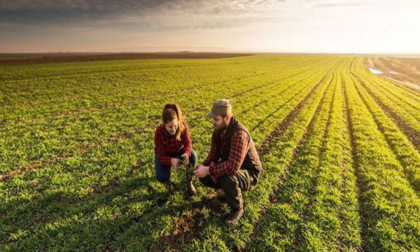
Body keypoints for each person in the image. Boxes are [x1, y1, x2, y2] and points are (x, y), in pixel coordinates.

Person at [194, 99, 262, 226]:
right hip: (233, 168)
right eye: (212, 119)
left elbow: (232, 167)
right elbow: (213, 155)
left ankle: (238, 209)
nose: (213, 122)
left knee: (227, 177)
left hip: (249, 173)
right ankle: (229, 193)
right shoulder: (218, 132)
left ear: (227, 118)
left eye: (216, 119)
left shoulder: (239, 134)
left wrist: (209, 169)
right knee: (205, 177)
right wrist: (202, 167)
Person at [154, 103, 197, 196]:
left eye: (175, 125)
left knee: (193, 155)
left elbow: (188, 142)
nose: (173, 129)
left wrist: (186, 153)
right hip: (166, 154)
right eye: (170, 127)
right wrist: (170, 160)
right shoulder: (158, 133)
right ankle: (166, 184)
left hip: (179, 150)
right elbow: (160, 156)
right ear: (164, 124)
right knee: (162, 176)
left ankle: (189, 182)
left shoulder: (183, 125)